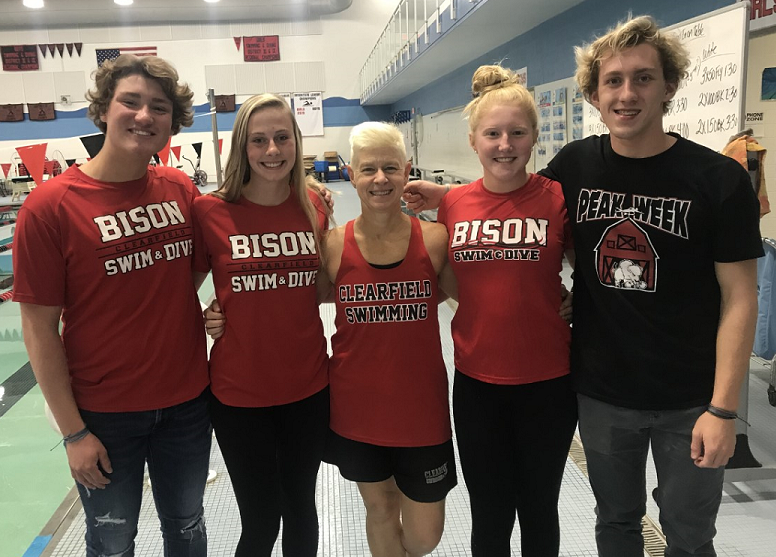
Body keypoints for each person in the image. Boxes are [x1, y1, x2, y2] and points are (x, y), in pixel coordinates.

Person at [405, 15, 762, 557]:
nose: (627, 93)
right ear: (594, 95)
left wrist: (724, 409)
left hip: (689, 395)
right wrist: (443, 197)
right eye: (613, 81)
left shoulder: (719, 180)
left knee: (689, 537)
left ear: (669, 85)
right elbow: (516, 201)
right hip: (600, 389)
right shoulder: (576, 166)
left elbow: (741, 296)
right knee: (615, 525)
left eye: (643, 78)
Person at [13, 55, 211, 556]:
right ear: (103, 109)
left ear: (172, 122)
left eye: (159, 107)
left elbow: (189, 277)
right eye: (131, 101)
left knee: (187, 525)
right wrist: (73, 431)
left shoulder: (180, 190)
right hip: (104, 413)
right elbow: (38, 329)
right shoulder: (50, 207)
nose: (145, 115)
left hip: (187, 403)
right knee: (113, 538)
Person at [439, 65, 577, 557]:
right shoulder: (453, 204)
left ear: (534, 138)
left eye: (517, 133)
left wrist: (575, 299)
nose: (505, 144)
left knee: (540, 507)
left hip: (548, 383)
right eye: (492, 134)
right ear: (474, 141)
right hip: (478, 385)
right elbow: (439, 274)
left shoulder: (557, 198)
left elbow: (595, 271)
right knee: (490, 512)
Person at [192, 93, 331, 557]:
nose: (272, 150)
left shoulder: (315, 206)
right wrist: (211, 311)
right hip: (238, 394)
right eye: (259, 140)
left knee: (301, 510)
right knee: (260, 519)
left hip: (308, 388)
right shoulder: (211, 212)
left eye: (281, 137)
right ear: (242, 148)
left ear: (296, 142)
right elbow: (177, 291)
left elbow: (326, 286)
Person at [323, 121, 457, 557]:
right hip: (358, 410)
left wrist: (560, 300)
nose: (380, 179)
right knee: (380, 511)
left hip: (421, 411)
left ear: (406, 171)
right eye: (368, 170)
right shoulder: (332, 246)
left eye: (390, 168)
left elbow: (483, 294)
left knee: (425, 534)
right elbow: (288, 304)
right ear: (351, 175)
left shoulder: (435, 240)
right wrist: (219, 314)